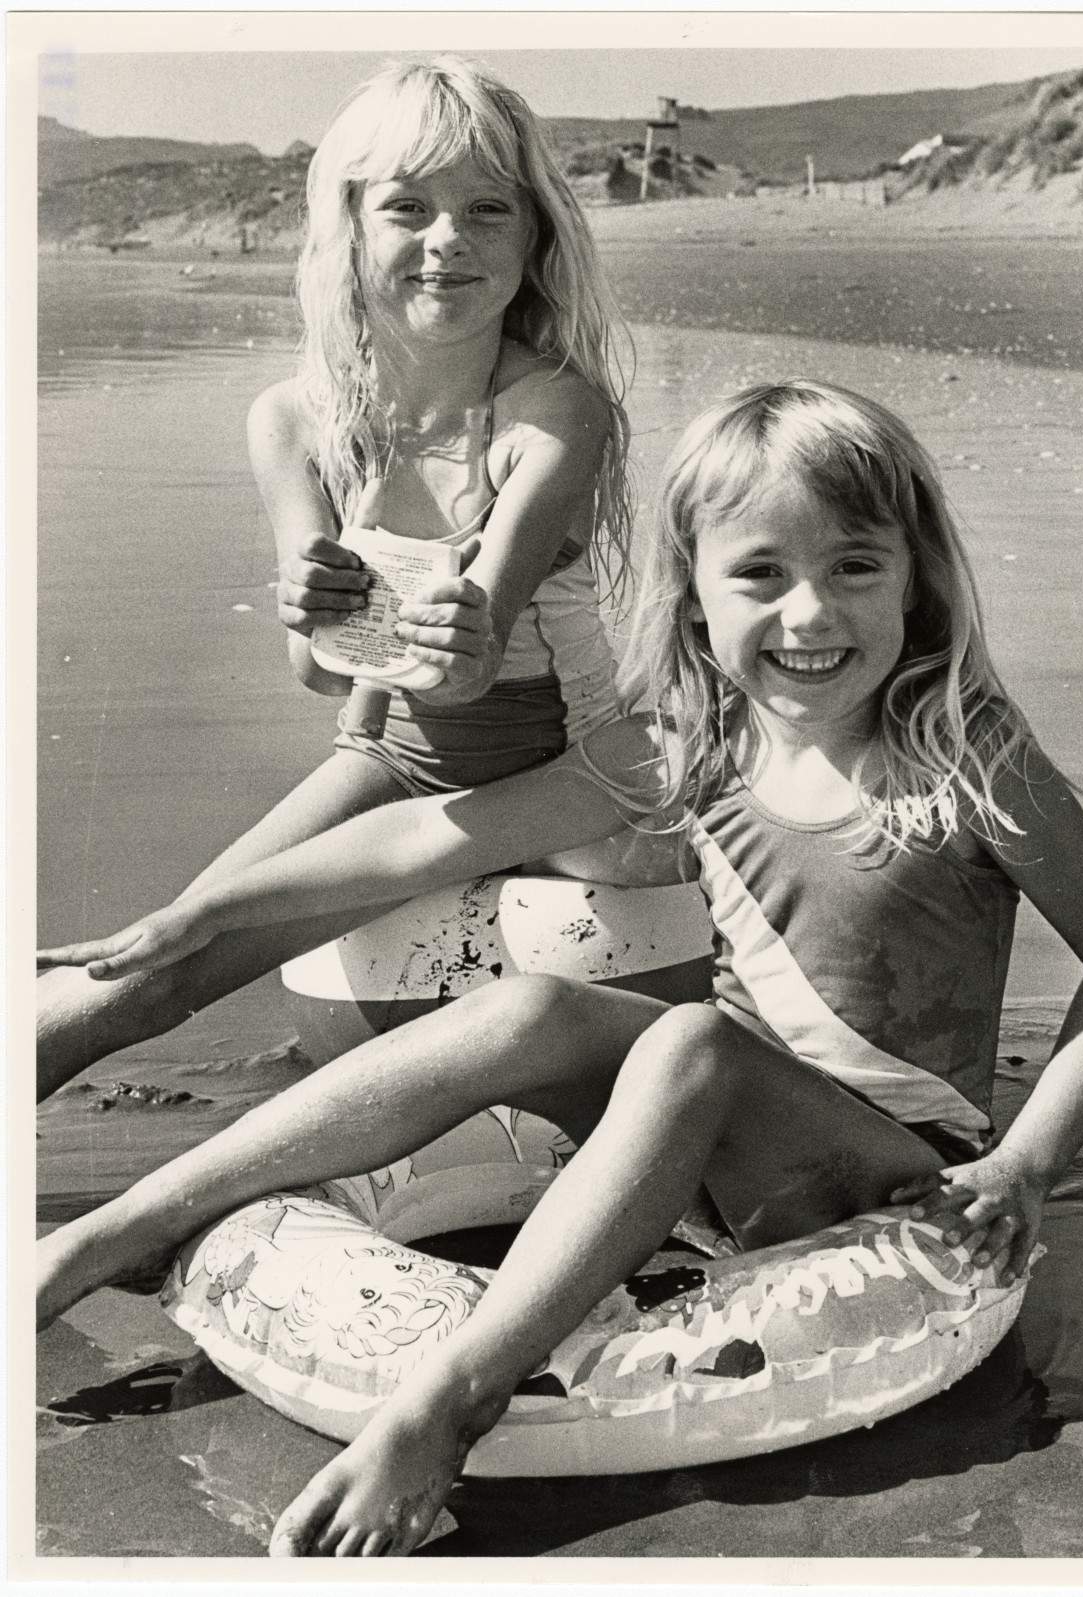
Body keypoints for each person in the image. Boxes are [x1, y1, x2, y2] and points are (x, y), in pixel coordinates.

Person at [38, 380, 1083, 1558]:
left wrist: (1027, 1163)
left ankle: (446, 1402)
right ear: (696, 590)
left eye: (858, 568)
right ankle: (116, 1231)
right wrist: (202, 907)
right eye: (761, 573)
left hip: (889, 1172)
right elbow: (435, 832)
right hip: (714, 1163)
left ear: (919, 574)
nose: (809, 612)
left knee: (690, 1039)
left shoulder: (962, 748)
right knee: (530, 1008)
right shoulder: (694, 737)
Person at [35, 54, 636, 1099]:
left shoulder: (553, 415)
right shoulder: (295, 421)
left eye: (487, 209)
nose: (447, 239)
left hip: (562, 765)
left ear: (536, 237)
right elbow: (320, 672)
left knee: (194, 940)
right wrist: (317, 620)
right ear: (350, 228)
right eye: (409, 207)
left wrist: (451, 642)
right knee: (144, 970)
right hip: (391, 754)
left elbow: (467, 664)